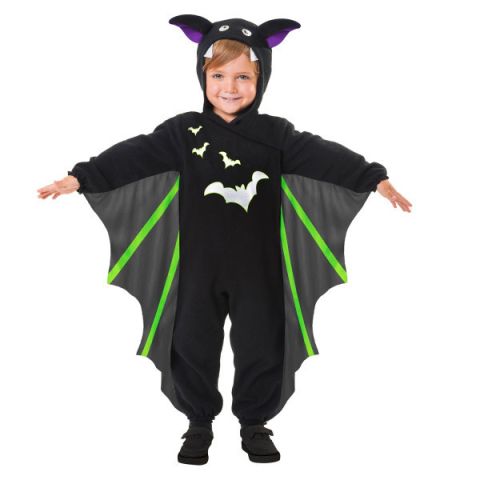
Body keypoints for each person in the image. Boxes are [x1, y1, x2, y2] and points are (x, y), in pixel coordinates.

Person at [37, 15, 412, 466]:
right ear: (203, 76)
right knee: (191, 340)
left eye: (242, 77)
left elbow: (325, 155)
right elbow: (134, 154)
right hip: (198, 266)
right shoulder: (184, 133)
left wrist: (373, 177)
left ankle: (254, 421)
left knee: (262, 341)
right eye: (218, 76)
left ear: (261, 78)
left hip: (261, 267)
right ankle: (199, 422)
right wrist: (82, 176)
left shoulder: (276, 135)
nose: (229, 88)